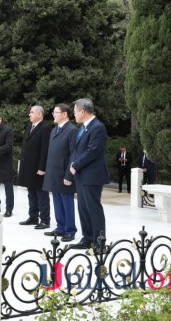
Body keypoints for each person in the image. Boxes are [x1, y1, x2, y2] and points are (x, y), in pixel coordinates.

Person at [68, 98, 110, 250]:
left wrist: (76, 165)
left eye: (75, 111)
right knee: (83, 208)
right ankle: (87, 238)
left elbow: (92, 151)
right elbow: (77, 150)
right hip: (81, 174)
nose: (74, 115)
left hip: (92, 175)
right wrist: (73, 166)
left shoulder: (97, 127)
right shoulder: (83, 127)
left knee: (93, 208)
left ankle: (100, 242)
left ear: (82, 111)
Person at [42, 104, 77, 242]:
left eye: (56, 112)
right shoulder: (54, 130)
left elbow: (73, 154)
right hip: (53, 173)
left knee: (67, 202)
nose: (53, 115)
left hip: (64, 173)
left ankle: (70, 230)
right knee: (56, 201)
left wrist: (69, 175)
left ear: (65, 114)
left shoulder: (72, 130)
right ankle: (60, 227)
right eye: (53, 112)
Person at [18, 105, 52, 230]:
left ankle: (45, 219)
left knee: (41, 193)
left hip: (38, 167)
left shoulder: (45, 128)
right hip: (28, 166)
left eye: (32, 112)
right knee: (31, 193)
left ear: (39, 114)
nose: (29, 114)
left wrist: (42, 167)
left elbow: (45, 149)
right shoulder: (29, 127)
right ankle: (33, 217)